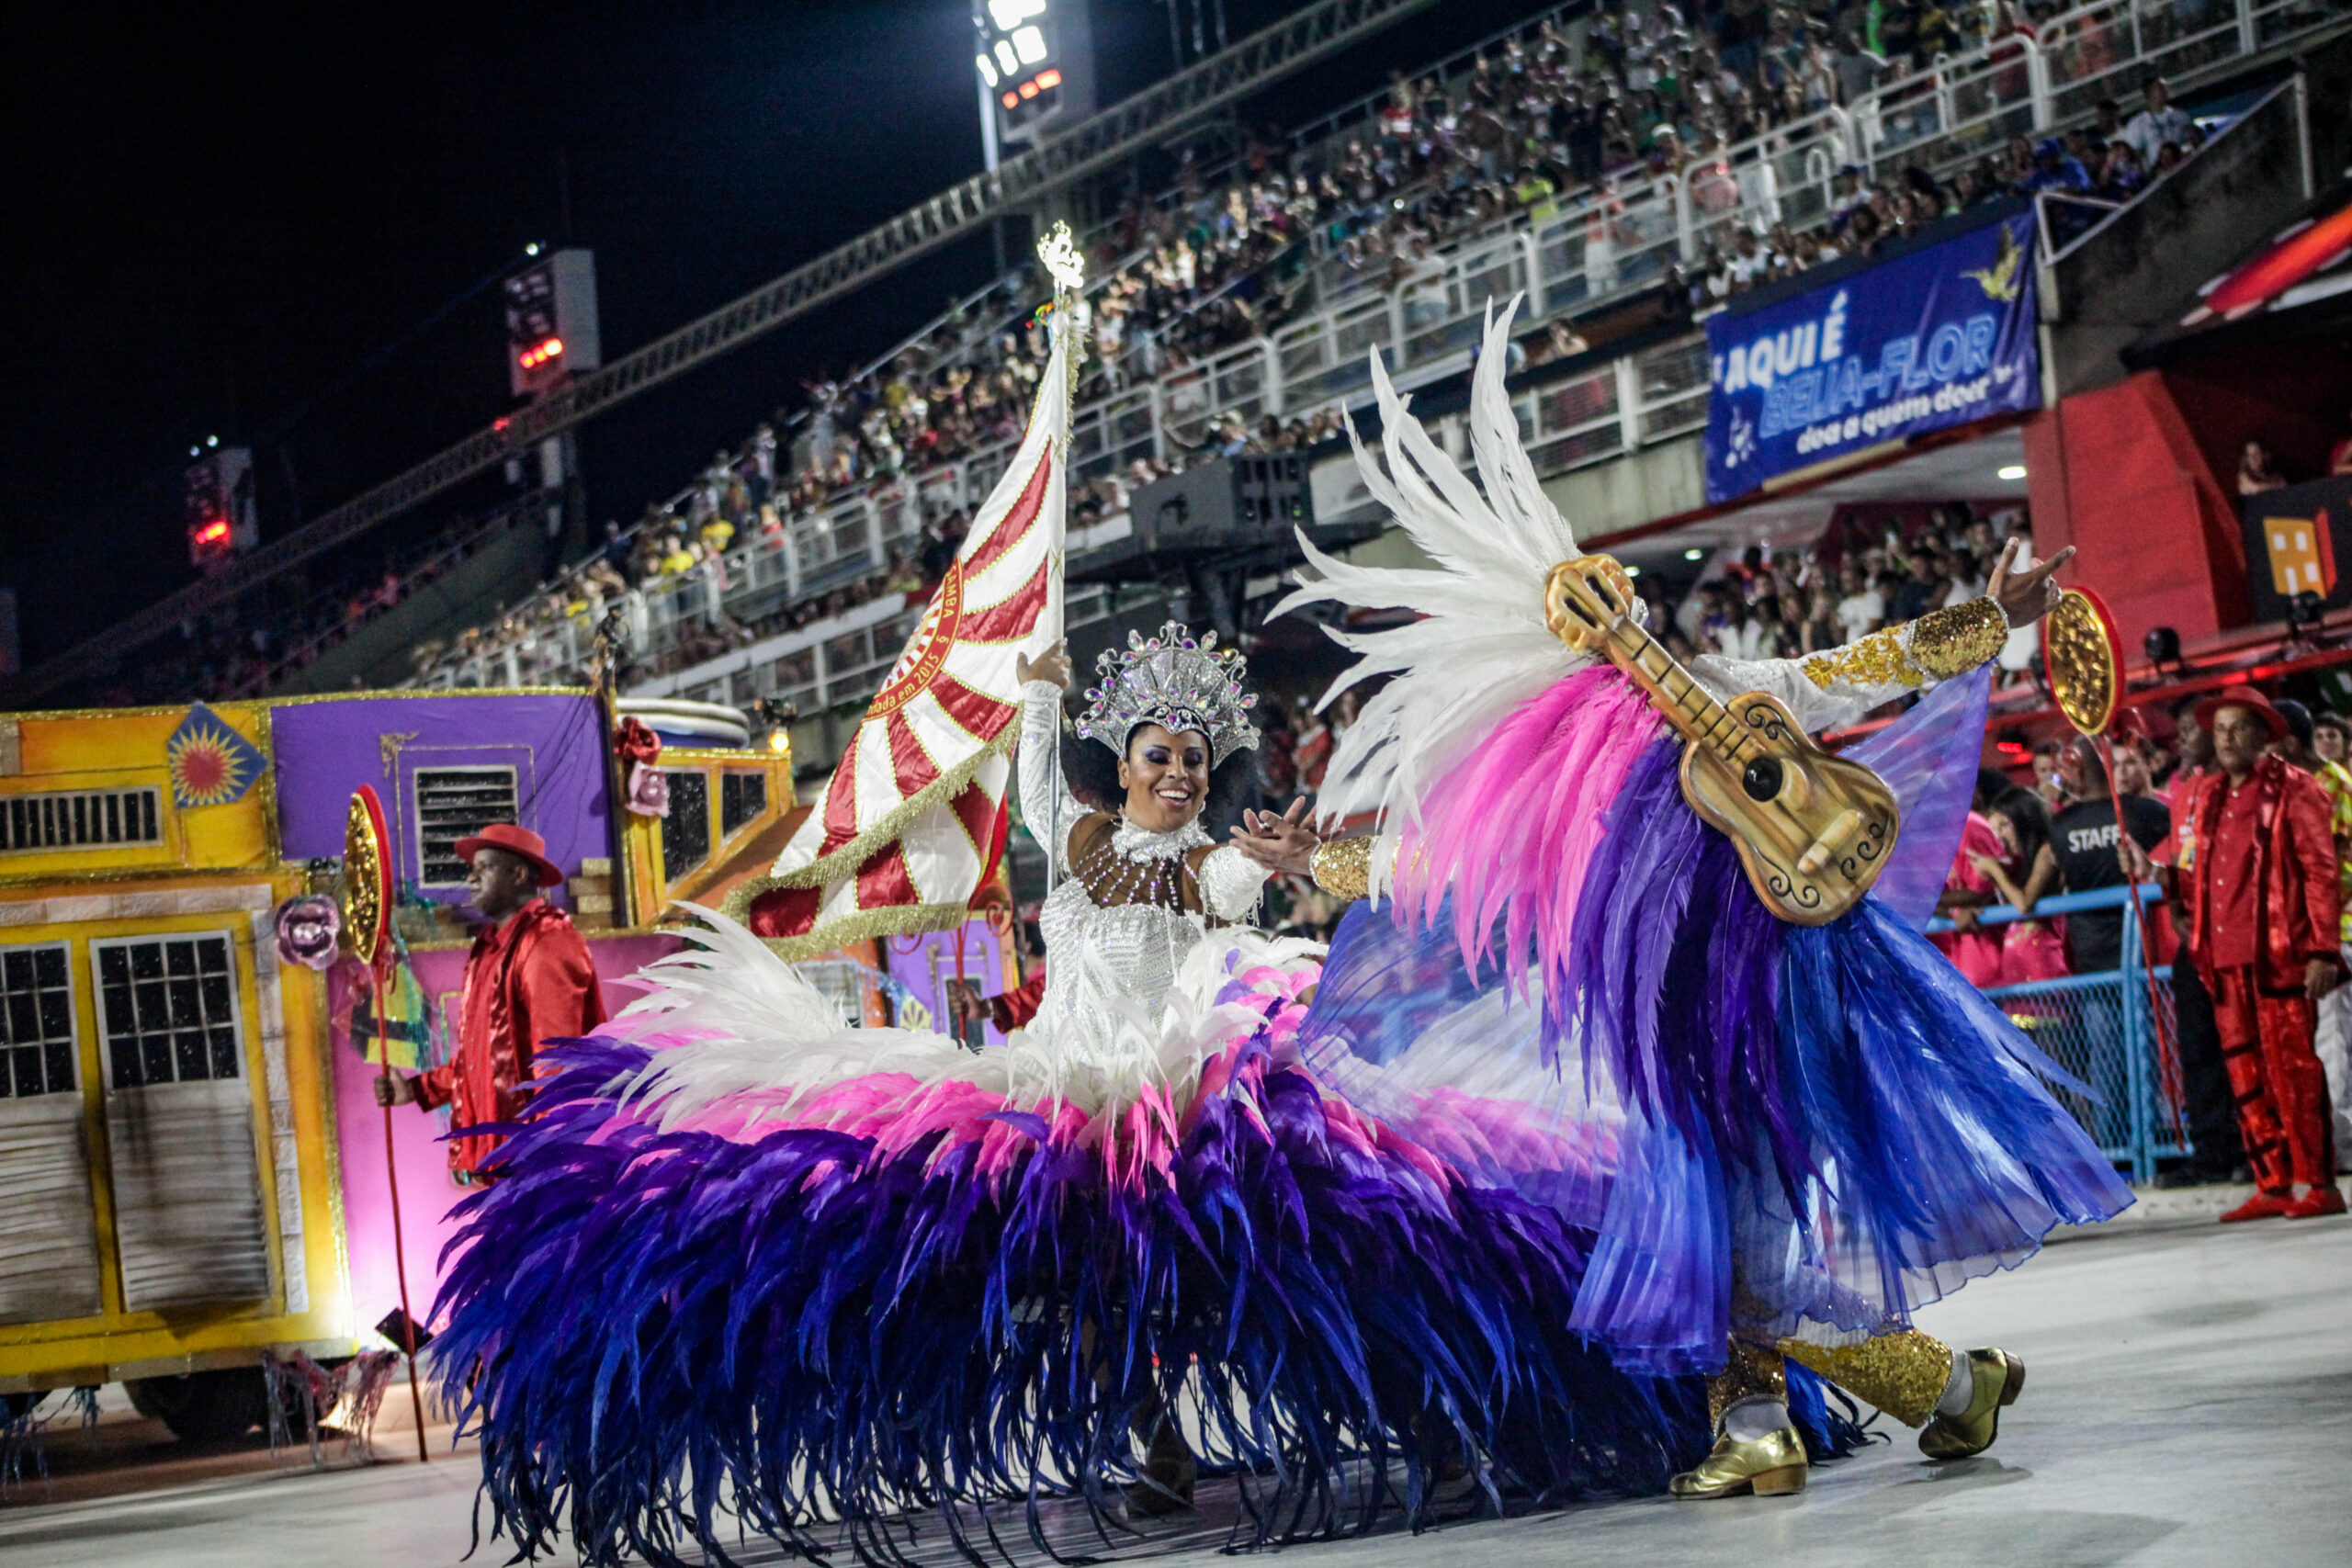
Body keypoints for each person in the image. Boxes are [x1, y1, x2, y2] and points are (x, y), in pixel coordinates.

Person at [428, 322, 2125, 1560]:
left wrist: (1311, 865)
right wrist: (1028, 674)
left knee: (1538, 1227)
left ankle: (1812, 1395)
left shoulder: (1254, 857)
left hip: (1231, 1080)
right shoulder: (1075, 841)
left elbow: (1330, 882)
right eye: (1146, 752)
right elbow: (1032, 772)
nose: (1167, 769)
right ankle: (1164, 1444)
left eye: (1186, 755)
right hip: (1071, 1083)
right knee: (1094, 1276)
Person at [2131, 692, 2347, 1220]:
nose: (2225, 738)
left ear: (2264, 734)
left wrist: (2321, 949)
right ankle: (2272, 1183)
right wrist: (2149, 870)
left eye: (2237, 728)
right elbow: (2192, 872)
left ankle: (2319, 1183)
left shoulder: (2299, 791)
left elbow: (2323, 874)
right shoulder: (2206, 797)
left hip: (2278, 955)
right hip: (2221, 961)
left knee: (2293, 1068)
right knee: (2245, 1075)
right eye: (2220, 729)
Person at [373, 824, 605, 1179]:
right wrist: (417, 1089)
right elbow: (480, 1061)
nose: (471, 879)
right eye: (472, 870)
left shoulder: (547, 942)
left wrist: (551, 1165)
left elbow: (558, 1065)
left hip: (540, 1168)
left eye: (484, 868)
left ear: (518, 874)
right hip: (502, 1168)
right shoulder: (488, 951)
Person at [2051, 735, 2170, 978]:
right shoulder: (2149, 812)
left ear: (2077, 772)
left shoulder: (2058, 825)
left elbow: (2048, 883)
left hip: (2091, 955)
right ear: (2109, 767)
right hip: (2148, 947)